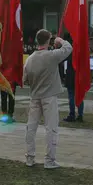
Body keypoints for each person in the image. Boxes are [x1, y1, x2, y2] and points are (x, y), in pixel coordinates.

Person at [23, 30, 73, 169]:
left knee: (31, 128)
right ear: (48, 41)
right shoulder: (51, 56)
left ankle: (30, 157)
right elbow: (68, 48)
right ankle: (49, 160)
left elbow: (25, 80)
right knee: (51, 128)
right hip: (49, 96)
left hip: (35, 96)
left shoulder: (30, 58)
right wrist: (60, 40)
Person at [62, 34, 83, 123]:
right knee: (79, 96)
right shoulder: (80, 51)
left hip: (71, 76)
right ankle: (80, 114)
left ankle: (72, 114)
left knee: (71, 96)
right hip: (79, 76)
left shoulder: (69, 52)